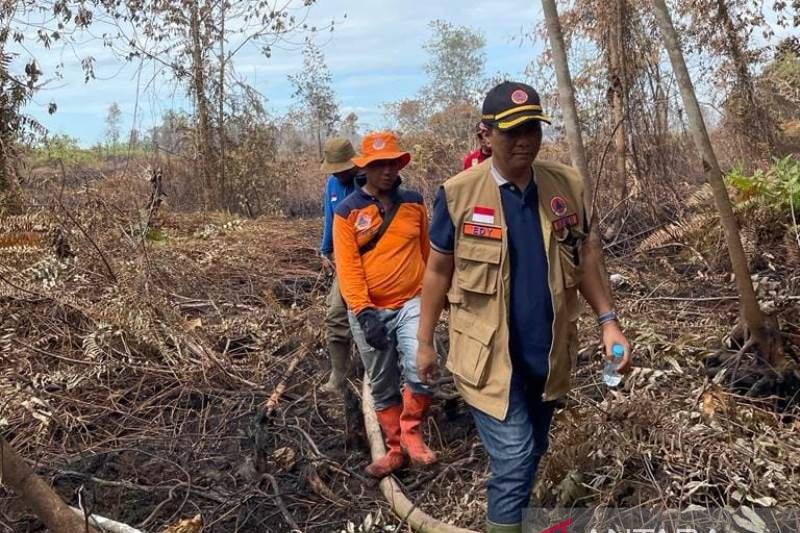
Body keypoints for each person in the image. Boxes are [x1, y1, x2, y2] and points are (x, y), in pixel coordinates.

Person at [416, 81, 632, 533]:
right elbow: (437, 273)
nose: (524, 140)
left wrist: (609, 322)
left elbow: (586, 257)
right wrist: (424, 343)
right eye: (512, 131)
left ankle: (515, 519)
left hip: (548, 353)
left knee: (532, 448)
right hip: (488, 360)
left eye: (532, 128)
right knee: (514, 457)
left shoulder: (566, 185)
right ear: (485, 135)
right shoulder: (457, 195)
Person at [332, 131, 436, 477]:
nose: (387, 171)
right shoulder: (347, 211)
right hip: (369, 307)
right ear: (366, 168)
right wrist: (363, 313)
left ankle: (412, 433)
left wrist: (437, 295)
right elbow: (347, 268)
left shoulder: (414, 203)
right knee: (381, 380)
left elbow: (427, 253)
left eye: (392, 163)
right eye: (379, 165)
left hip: (412, 300)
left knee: (420, 367)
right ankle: (394, 449)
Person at [319, 137, 361, 393]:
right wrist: (325, 250)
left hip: (371, 260)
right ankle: (338, 377)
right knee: (335, 317)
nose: (339, 173)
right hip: (344, 263)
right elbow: (330, 219)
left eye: (343, 168)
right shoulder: (332, 184)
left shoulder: (368, 180)